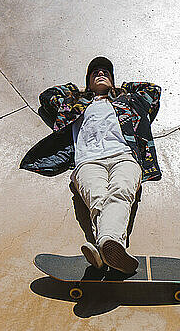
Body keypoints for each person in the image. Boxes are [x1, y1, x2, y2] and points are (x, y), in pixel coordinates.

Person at [20, 57, 162, 274]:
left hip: (124, 156)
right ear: (88, 80)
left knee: (121, 191)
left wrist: (120, 87)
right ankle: (110, 248)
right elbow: (47, 97)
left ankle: (103, 248)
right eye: (95, 73)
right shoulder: (74, 104)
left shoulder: (129, 100)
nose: (100, 74)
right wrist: (76, 90)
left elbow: (152, 90)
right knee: (97, 198)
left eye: (106, 72)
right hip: (87, 160)